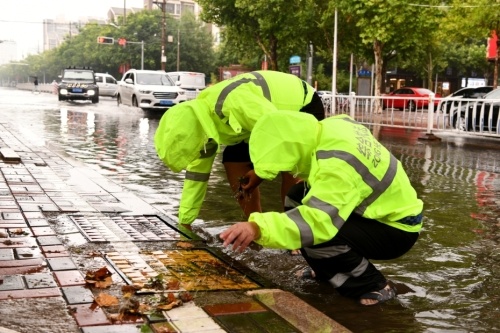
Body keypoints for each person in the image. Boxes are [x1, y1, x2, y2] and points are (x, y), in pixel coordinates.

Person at [219, 111, 424, 306]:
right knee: (297, 196)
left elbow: (315, 222)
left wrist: (257, 227)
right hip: (379, 210)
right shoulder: (332, 126)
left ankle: (373, 284)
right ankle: (325, 270)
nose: (290, 169)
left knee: (314, 233)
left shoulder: (337, 166)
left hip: (396, 228)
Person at [154, 70, 325, 234]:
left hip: (300, 106)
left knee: (292, 166)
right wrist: (185, 225)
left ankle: (295, 235)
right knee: (233, 161)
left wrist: (260, 173)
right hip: (257, 122)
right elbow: (195, 178)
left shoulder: (235, 103)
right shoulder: (199, 125)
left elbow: (278, 134)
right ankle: (257, 230)